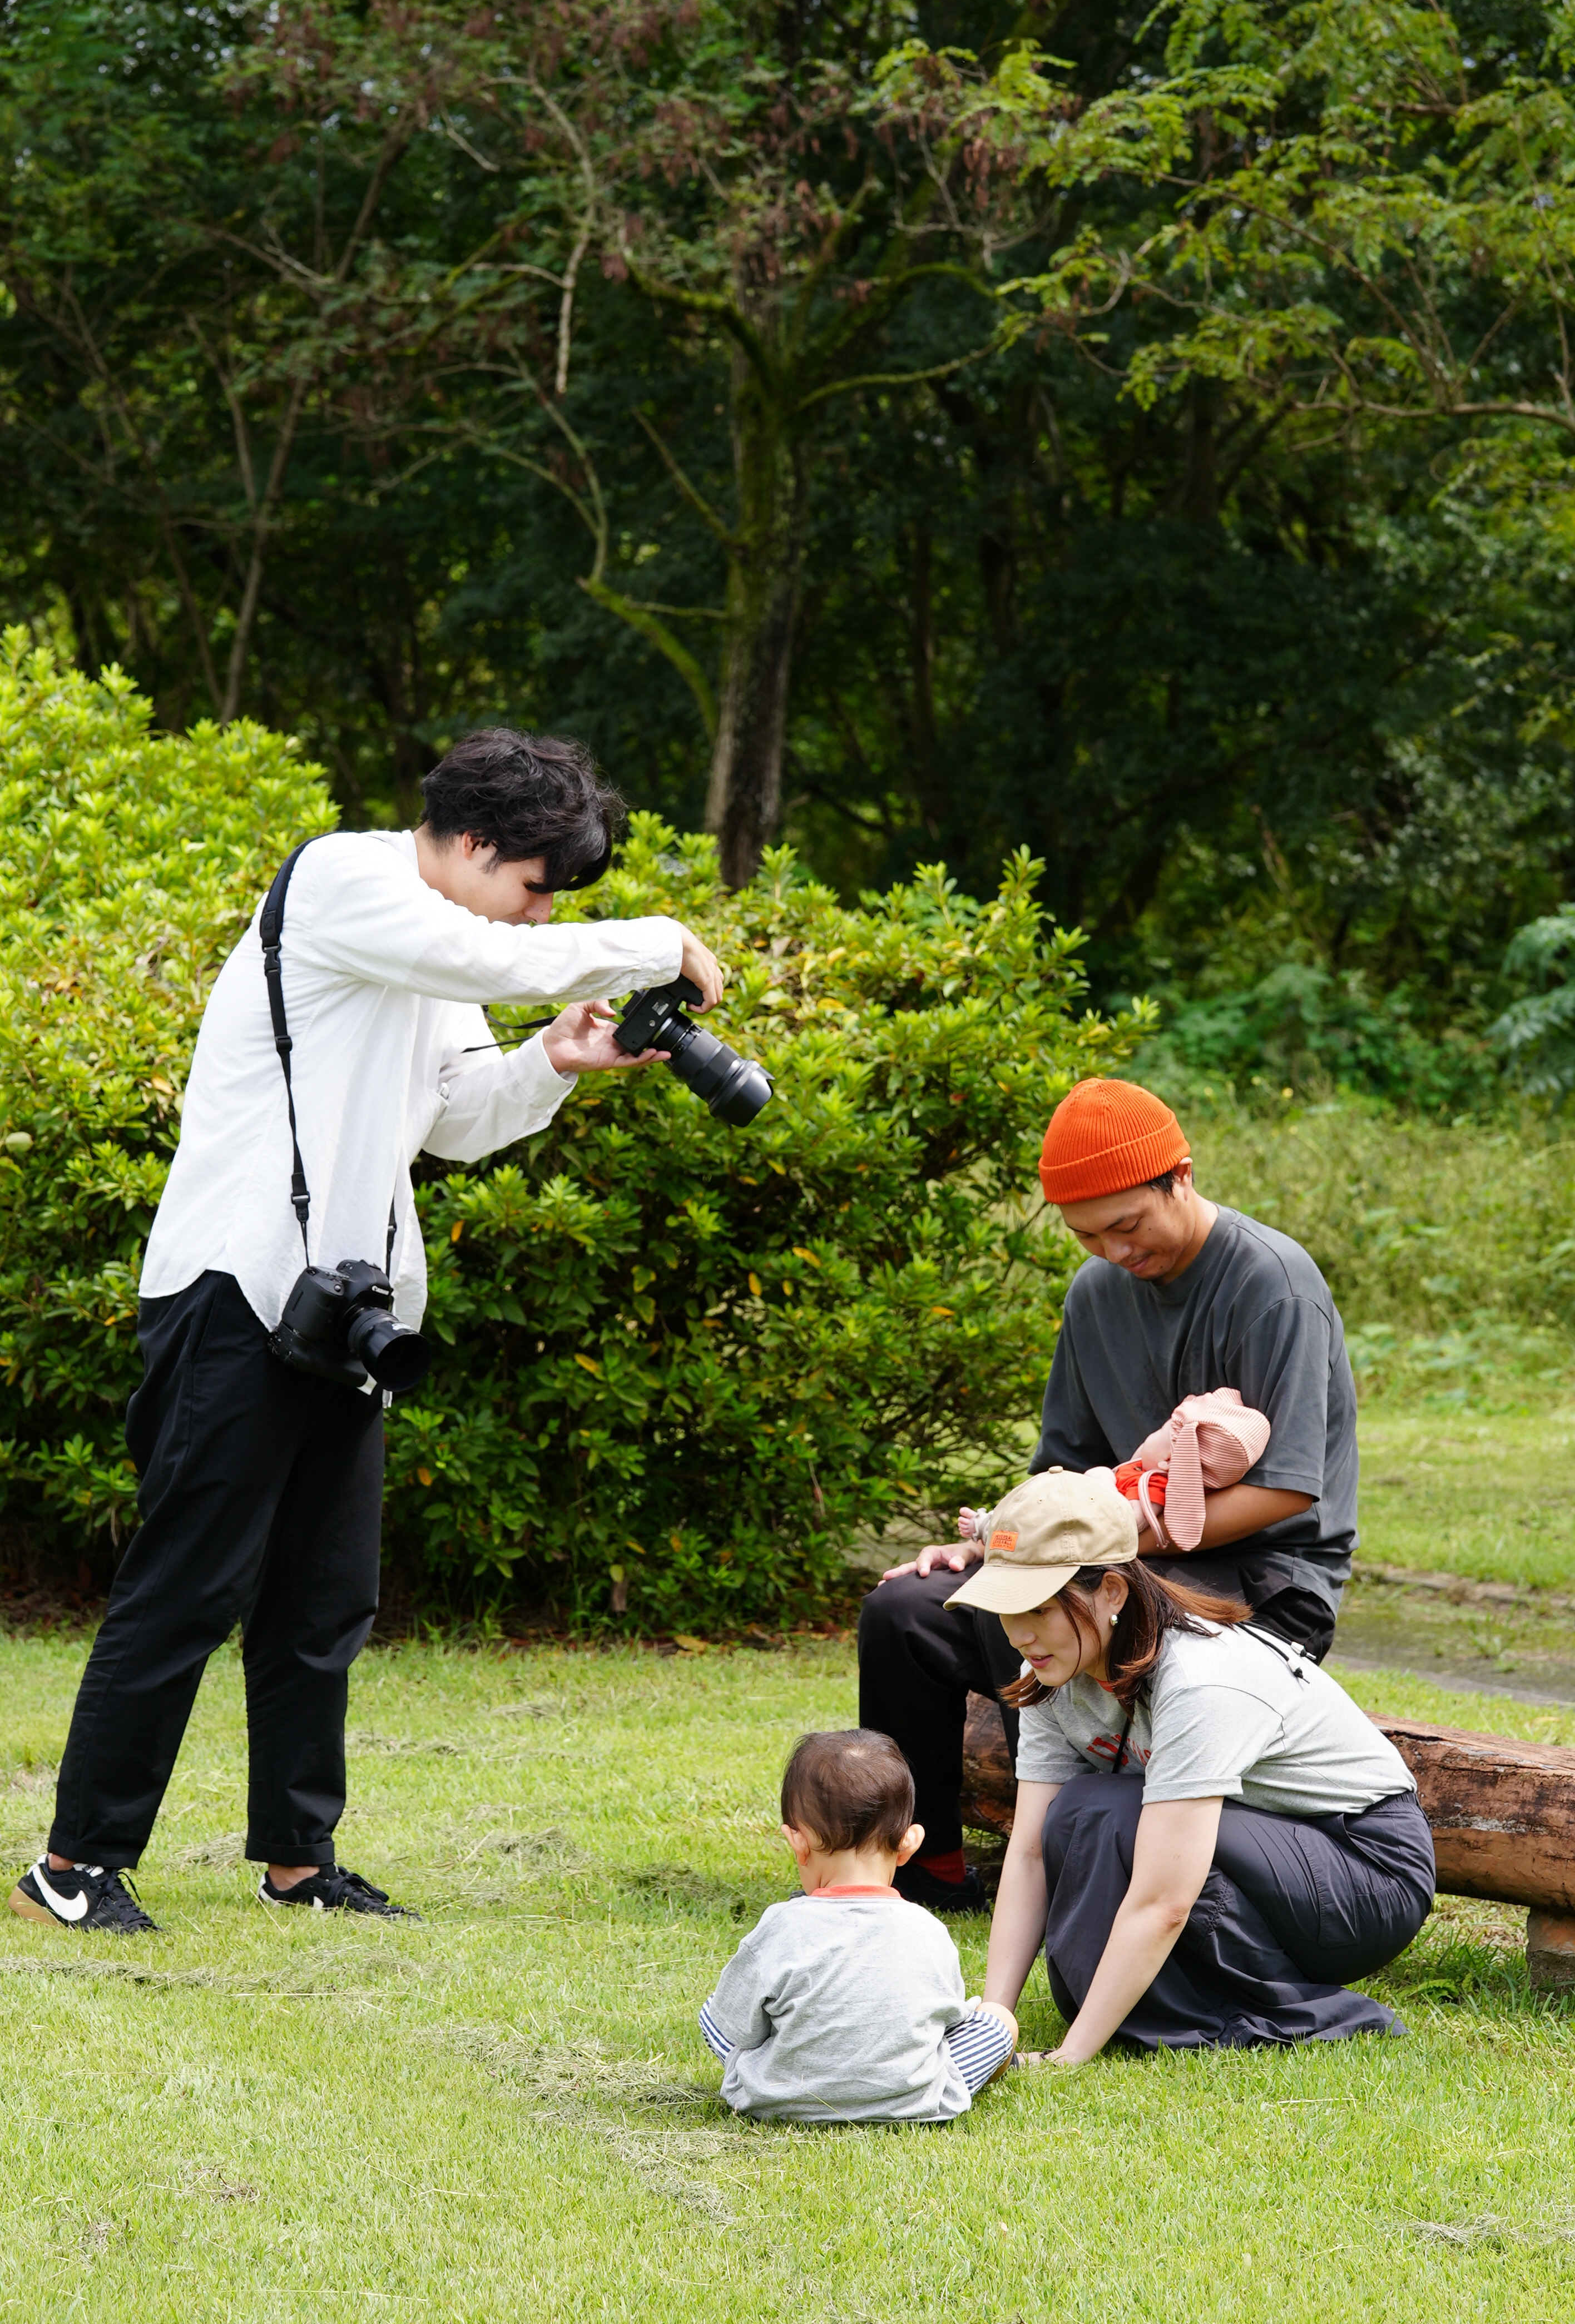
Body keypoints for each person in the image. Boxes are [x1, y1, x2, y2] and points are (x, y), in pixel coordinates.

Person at [13, 730, 723, 1936]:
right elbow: (486, 951)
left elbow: (452, 1119)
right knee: (188, 1584)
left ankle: (299, 1860)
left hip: (349, 1306)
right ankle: (71, 1865)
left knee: (324, 1598)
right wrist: (661, 942)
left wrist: (554, 1061)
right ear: (477, 842)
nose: (540, 912)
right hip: (237, 1285)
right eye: (539, 884)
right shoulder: (349, 879)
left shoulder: (438, 949)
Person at [858, 1074, 1360, 1913]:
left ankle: (1069, 1855)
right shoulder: (1095, 1295)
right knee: (909, 1614)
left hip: (1266, 1582)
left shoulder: (1274, 1282)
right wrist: (998, 1546)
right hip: (1112, 1562)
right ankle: (925, 1867)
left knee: (1076, 1609)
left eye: (1127, 1224)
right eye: (1088, 1236)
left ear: (1183, 1177)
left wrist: (1104, 1543)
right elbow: (1061, 1471)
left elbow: (1286, 1493)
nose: (1115, 1252)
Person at [957, 1472, 1434, 2055]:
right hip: (1259, 1847)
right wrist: (995, 2020)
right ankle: (1167, 2008)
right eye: (1005, 1610)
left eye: (1038, 1607)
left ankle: (1297, 2010)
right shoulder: (1052, 1670)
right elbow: (1030, 1851)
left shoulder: (1199, 1678)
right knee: (1082, 1811)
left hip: (1365, 1872)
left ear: (1112, 1590)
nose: (1020, 1634)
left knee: (1111, 1812)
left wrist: (1069, 2056)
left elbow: (1166, 1900)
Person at [698, 1730, 1018, 2123]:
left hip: (778, 2100)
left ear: (796, 1843)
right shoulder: (928, 1929)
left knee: (715, 2010)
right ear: (909, 1843)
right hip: (913, 2102)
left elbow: (735, 2026)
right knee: (1000, 2020)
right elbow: (946, 2025)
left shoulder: (781, 1926)